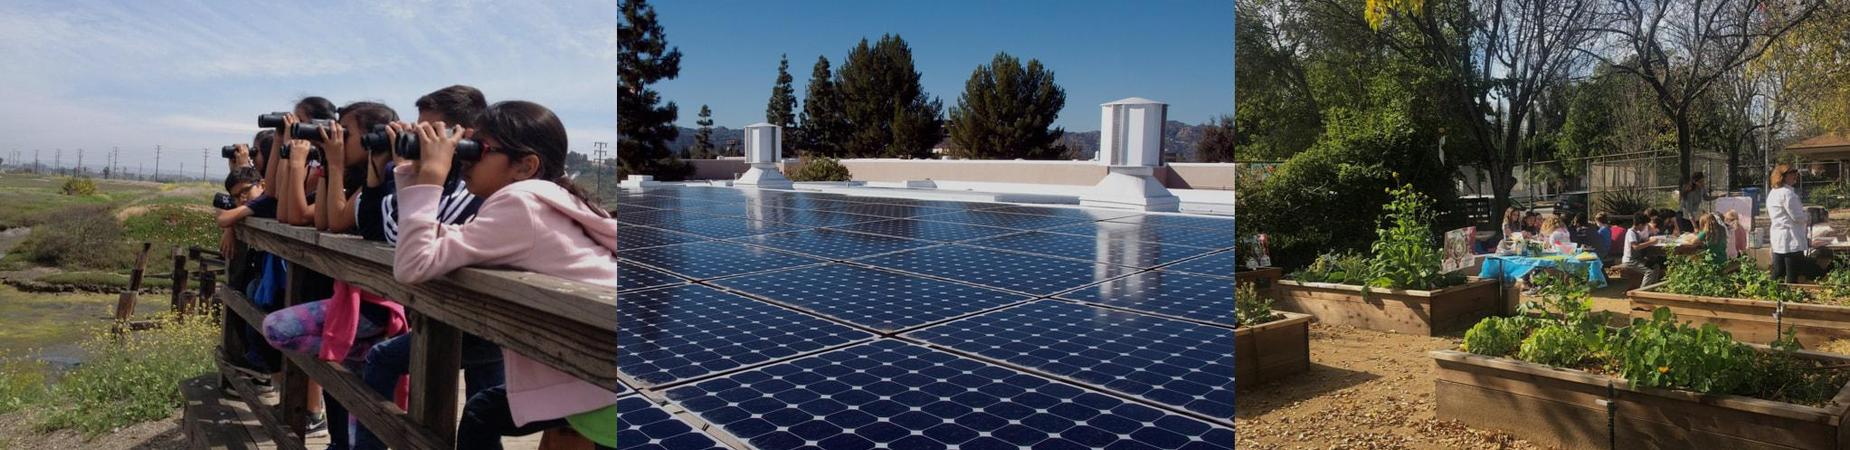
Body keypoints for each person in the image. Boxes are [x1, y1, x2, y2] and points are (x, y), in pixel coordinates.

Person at [390, 101, 617, 449]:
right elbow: (430, 241)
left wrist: (432, 175)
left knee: (482, 412)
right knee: (483, 410)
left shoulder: (520, 203)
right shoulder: (540, 200)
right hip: (601, 364)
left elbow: (412, 264)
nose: (464, 159)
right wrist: (414, 170)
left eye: (478, 150)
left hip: (598, 379)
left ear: (525, 166)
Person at [351, 86, 499, 450]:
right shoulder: (436, 177)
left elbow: (413, 239)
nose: (421, 139)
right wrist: (387, 169)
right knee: (484, 409)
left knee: (481, 412)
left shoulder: (476, 185)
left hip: (483, 320)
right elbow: (379, 230)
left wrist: (425, 173)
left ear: (464, 135)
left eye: (432, 132)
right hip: (459, 316)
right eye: (419, 131)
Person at [261, 102, 406, 450]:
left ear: (373, 139)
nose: (336, 136)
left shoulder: (386, 179)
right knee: (352, 399)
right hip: (353, 301)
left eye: (346, 133)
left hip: (376, 305)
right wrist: (328, 163)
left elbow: (334, 220)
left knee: (278, 329)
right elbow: (323, 221)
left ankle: (354, 351)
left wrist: (326, 162)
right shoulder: (358, 176)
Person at [1770, 163, 1814, 283]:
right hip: (1791, 239)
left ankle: (1771, 296)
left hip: (1779, 238)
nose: (1795, 175)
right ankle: (1789, 299)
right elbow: (1797, 217)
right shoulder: (1787, 193)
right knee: (1792, 275)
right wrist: (1808, 216)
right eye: (1792, 173)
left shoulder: (1773, 193)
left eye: (1795, 173)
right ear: (1782, 176)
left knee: (1778, 273)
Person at [1617, 209, 1665, 287]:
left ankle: (1652, 287)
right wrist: (1651, 242)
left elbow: (1642, 241)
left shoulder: (1637, 233)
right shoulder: (1631, 233)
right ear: (1640, 224)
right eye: (1645, 225)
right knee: (1649, 272)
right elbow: (1636, 247)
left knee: (1656, 266)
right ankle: (1643, 291)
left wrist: (1649, 240)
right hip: (1630, 261)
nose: (1646, 227)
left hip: (1637, 259)